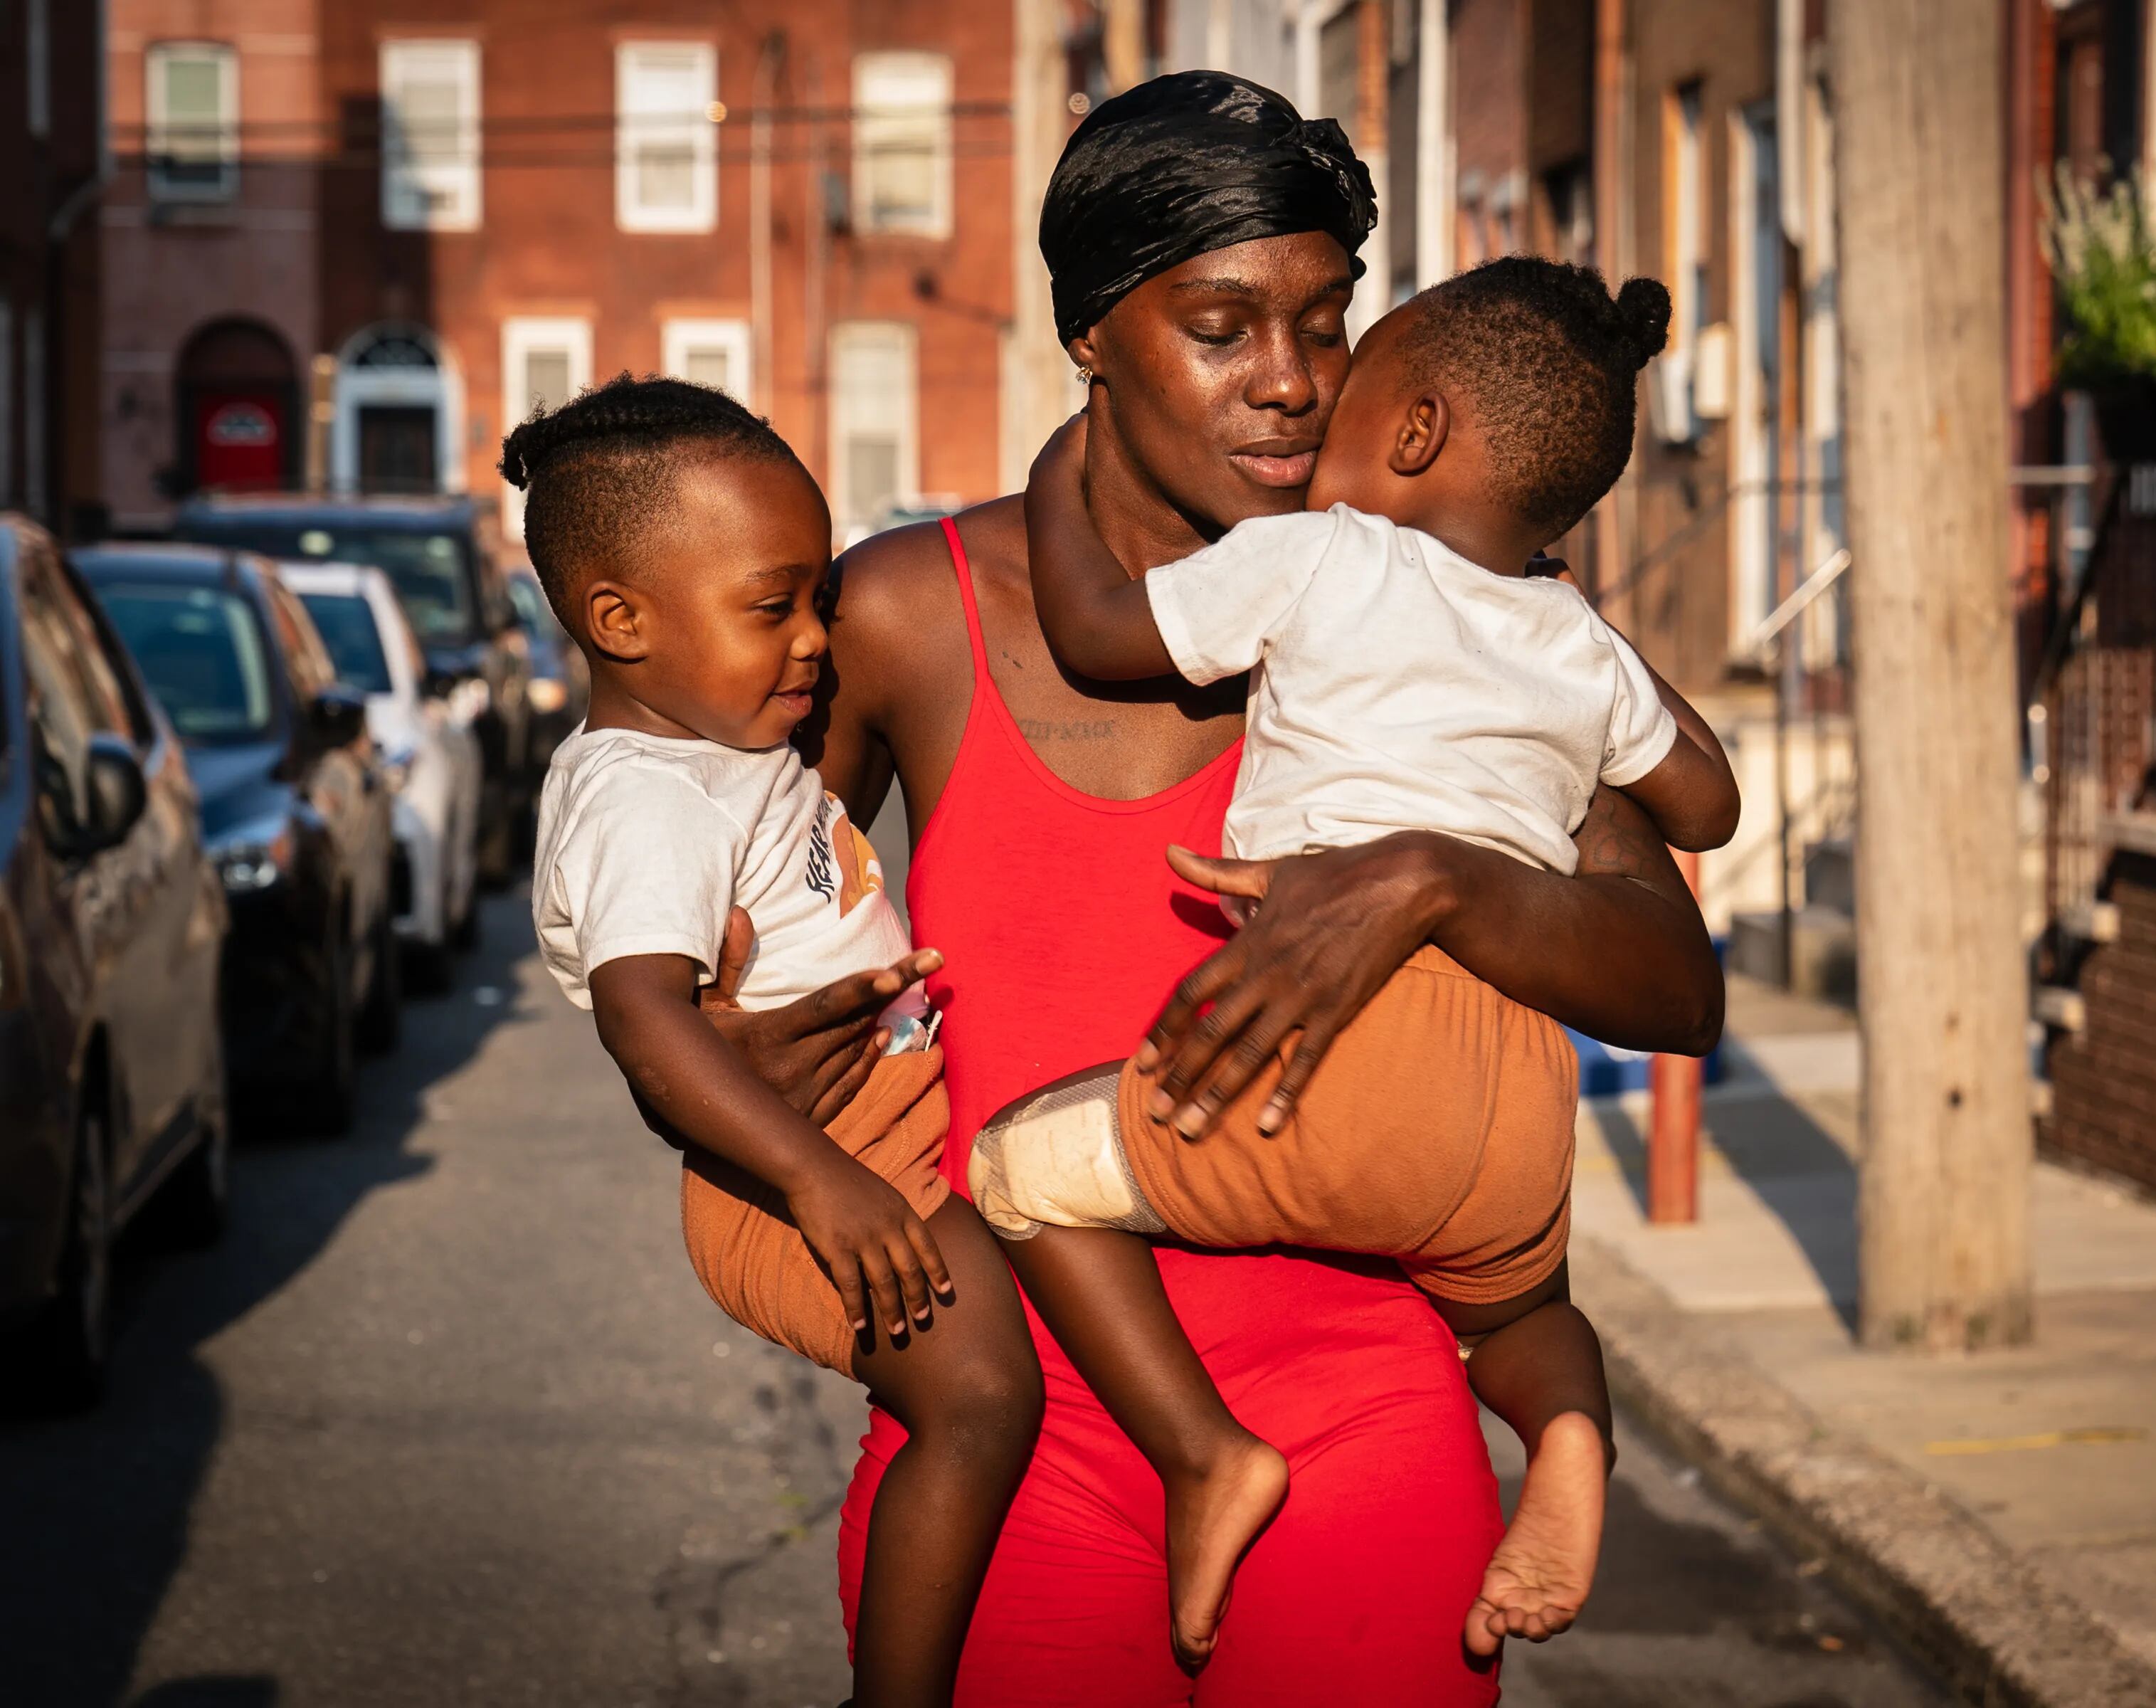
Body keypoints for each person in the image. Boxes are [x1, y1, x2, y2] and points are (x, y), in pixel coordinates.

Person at [688, 70, 1728, 1703]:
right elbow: (740, 948)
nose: (1293, 386)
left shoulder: (1442, 598)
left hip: (1368, 1429)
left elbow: (1678, 981)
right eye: (1225, 327)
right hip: (1017, 1456)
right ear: (1092, 333)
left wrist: (1434, 877)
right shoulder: (908, 613)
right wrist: (740, 1060)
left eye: (1327, 325)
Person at [971, 254, 1737, 1667]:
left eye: (1349, 370)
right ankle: (1568, 1433)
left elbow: (1092, 624)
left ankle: (1205, 1455)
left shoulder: (1326, 555)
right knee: (1518, 1309)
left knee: (1018, 1165)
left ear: (1418, 429)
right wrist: (1557, 631)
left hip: (1335, 1060)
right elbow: (1709, 800)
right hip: (1510, 1098)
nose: (1308, 410)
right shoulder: (1577, 640)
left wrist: (1063, 460)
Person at [509, 376, 1042, 1708]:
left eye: (819, 604)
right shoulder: (645, 797)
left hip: (867, 1136)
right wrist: (821, 1179)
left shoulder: (719, 738)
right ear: (618, 623)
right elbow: (646, 1020)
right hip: (805, 1175)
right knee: (979, 1397)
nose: (812, 642)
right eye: (772, 607)